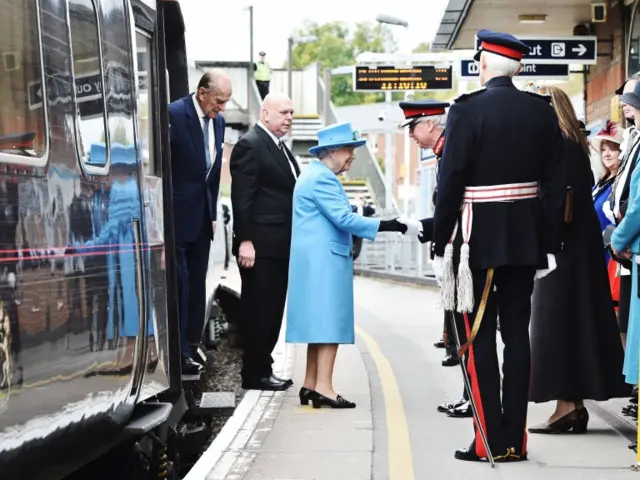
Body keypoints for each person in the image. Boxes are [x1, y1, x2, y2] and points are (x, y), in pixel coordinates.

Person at [432, 30, 566, 462]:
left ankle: (488, 440)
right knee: (517, 338)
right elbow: (554, 184)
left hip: (478, 242)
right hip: (525, 240)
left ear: (483, 64)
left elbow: (450, 181)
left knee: (478, 339)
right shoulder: (541, 111)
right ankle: (516, 440)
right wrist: (547, 242)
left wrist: (441, 241)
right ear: (518, 68)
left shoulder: (466, 110)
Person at [285, 122, 420, 408]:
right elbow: (344, 220)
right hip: (325, 261)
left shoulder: (311, 174)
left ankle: (310, 384)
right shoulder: (323, 179)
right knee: (330, 323)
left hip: (313, 261)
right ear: (332, 151)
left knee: (317, 326)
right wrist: (389, 224)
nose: (352, 157)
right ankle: (324, 387)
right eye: (349, 150)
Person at [527, 86, 630, 434]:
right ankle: (571, 406)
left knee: (554, 328)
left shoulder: (555, 146)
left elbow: (551, 201)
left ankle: (567, 407)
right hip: (579, 251)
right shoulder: (574, 146)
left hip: (561, 250)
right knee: (574, 325)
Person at [230, 93, 300, 391]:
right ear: (265, 112)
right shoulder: (251, 144)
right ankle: (255, 373)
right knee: (260, 311)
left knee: (271, 311)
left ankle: (263, 367)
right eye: (284, 112)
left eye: (292, 113)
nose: (289, 118)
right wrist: (245, 240)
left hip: (278, 246)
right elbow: (242, 198)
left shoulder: (277, 146)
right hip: (260, 247)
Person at [169, 69, 232, 374]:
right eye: (219, 100)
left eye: (227, 102)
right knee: (180, 285)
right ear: (202, 92)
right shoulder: (174, 113)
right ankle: (179, 352)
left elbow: (213, 173)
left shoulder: (218, 122)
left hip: (202, 220)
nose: (223, 107)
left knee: (196, 287)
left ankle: (191, 348)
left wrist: (213, 214)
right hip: (176, 218)